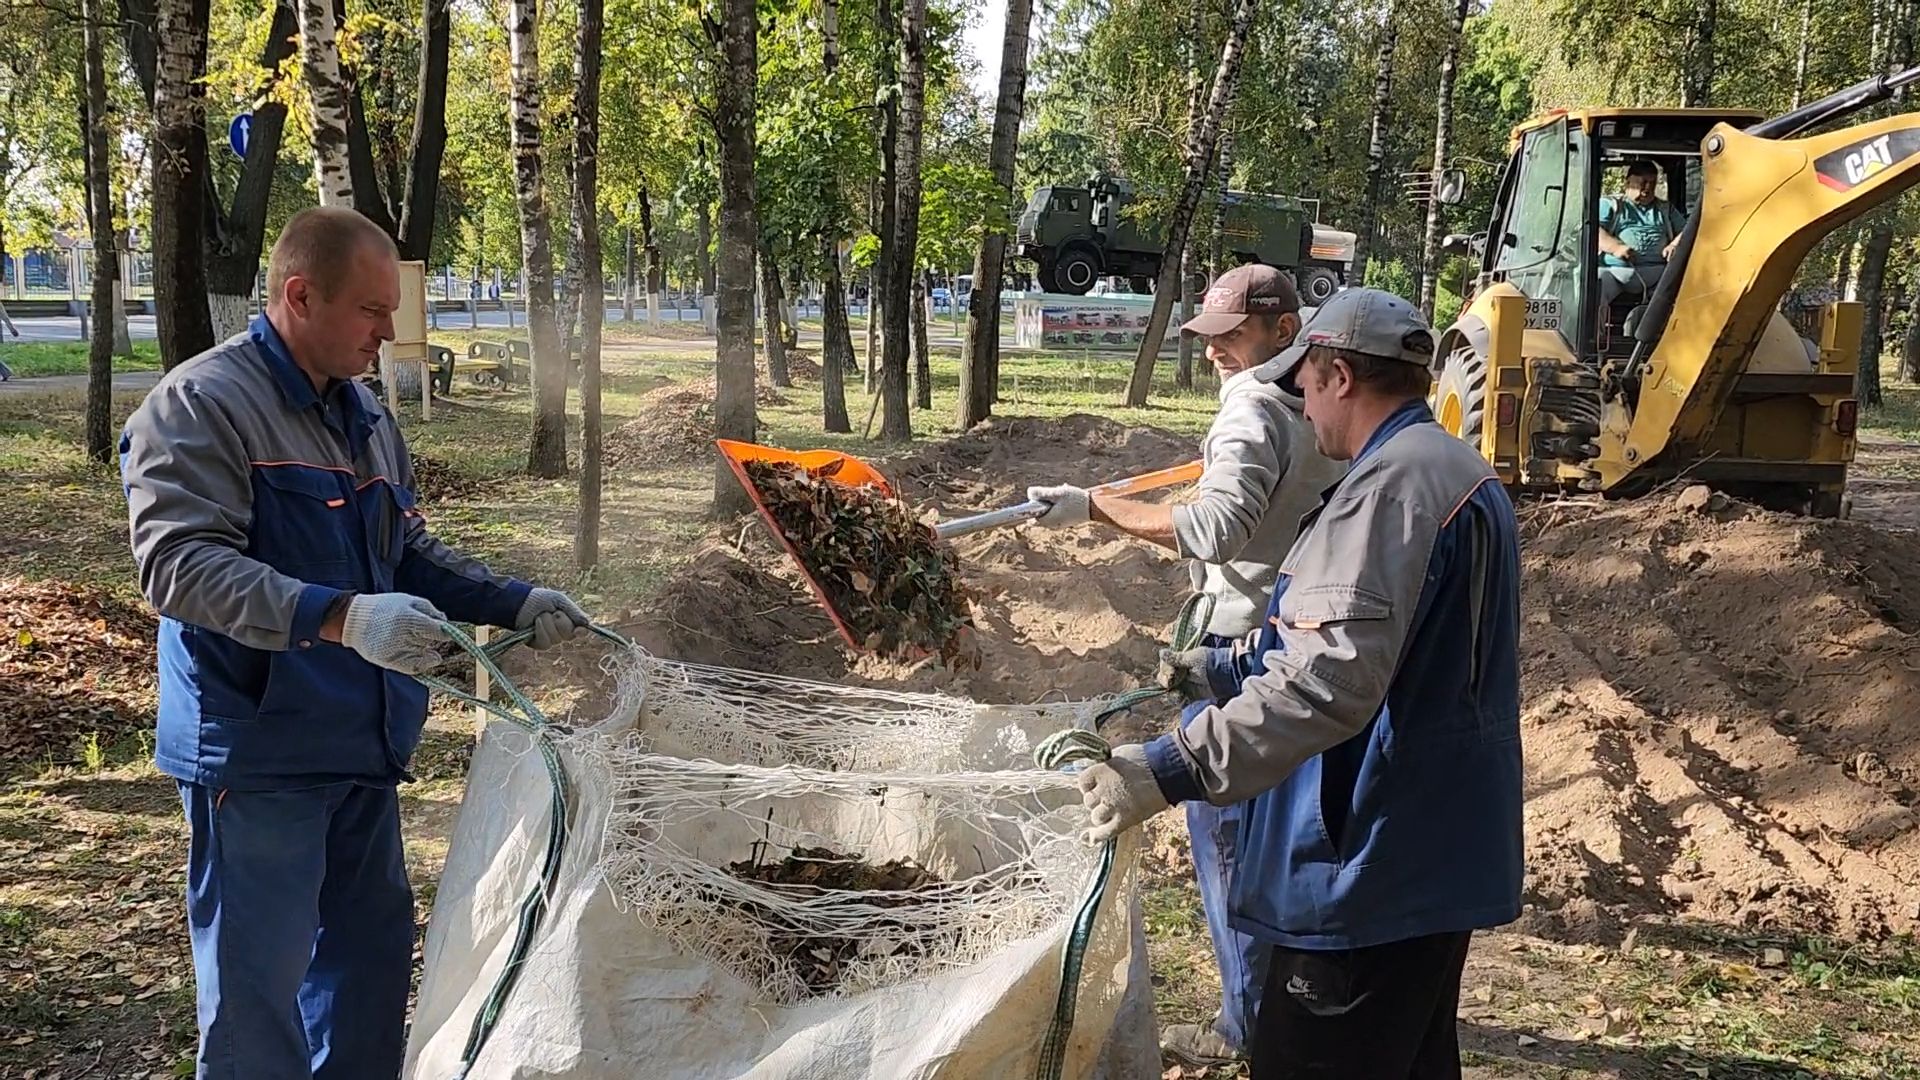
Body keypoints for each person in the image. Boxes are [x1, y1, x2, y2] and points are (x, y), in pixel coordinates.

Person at [118, 206, 591, 1080]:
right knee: (258, 999)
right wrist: (339, 617)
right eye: (374, 312)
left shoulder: (366, 415)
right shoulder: (200, 406)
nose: (390, 331)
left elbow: (405, 548)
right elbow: (179, 568)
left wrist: (514, 599)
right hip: (259, 758)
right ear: (301, 295)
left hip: (363, 745)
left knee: (365, 973)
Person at [1076, 287, 1523, 1079]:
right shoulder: (1452, 466)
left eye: (1305, 386)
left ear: (1340, 376)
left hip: (1368, 864)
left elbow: (1328, 683)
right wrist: (1220, 666)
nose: (1301, 408)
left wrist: (1167, 768)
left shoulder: (1387, 494)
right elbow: (1390, 644)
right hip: (1436, 852)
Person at [1023, 263, 1346, 1067]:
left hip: (1240, 649)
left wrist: (1094, 506)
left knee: (1226, 840)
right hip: (1305, 634)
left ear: (1280, 328)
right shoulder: (1325, 395)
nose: (1214, 355)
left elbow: (1216, 529)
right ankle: (1296, 1003)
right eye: (1206, 339)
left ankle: (1246, 1025)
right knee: (1290, 842)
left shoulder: (1252, 406)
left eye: (1230, 337)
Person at [1597, 159, 1688, 310]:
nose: (1647, 188)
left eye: (1652, 183)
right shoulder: (1611, 205)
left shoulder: (1665, 209)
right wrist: (1615, 247)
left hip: (1659, 275)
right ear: (1628, 183)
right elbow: (1593, 231)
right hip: (1615, 272)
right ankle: (1596, 332)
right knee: (1595, 290)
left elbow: (1687, 230)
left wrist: (1674, 245)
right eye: (1643, 182)